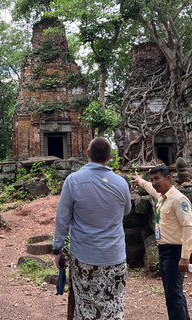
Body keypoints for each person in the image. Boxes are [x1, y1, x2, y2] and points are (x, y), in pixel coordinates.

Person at [53, 137, 133, 320]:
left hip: (85, 259)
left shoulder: (73, 181)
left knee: (86, 308)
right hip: (115, 257)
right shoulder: (121, 183)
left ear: (87, 153)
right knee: (113, 307)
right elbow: (126, 211)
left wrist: (58, 249)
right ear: (109, 157)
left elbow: (62, 219)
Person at [133, 165, 192, 320]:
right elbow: (150, 188)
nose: (154, 183)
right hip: (164, 250)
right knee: (173, 293)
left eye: (157, 179)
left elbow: (188, 228)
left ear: (168, 178)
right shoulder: (162, 196)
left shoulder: (178, 200)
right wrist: (140, 181)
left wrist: (185, 256)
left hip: (175, 252)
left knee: (173, 296)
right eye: (152, 179)